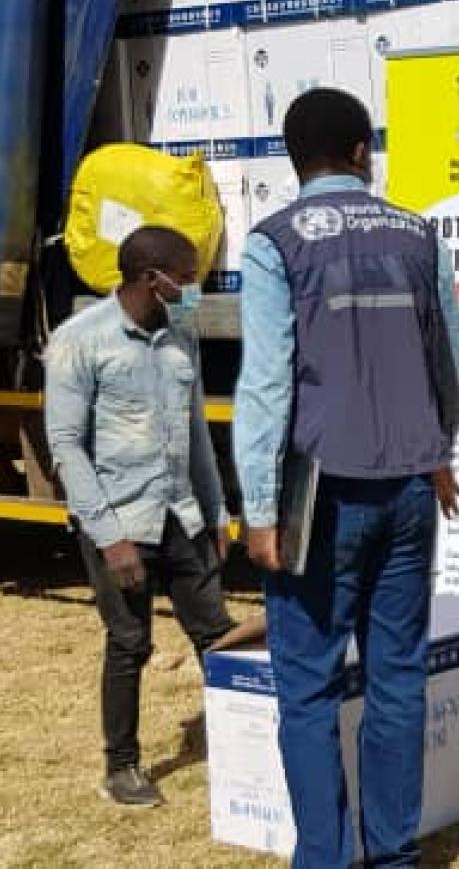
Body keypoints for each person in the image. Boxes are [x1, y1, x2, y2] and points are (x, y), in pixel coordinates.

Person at [233, 87, 459, 869]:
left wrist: (258, 510)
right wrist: (436, 448)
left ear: (294, 158)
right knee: (397, 680)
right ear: (363, 152)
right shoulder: (418, 233)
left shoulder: (274, 243)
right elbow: (453, 367)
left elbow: (267, 386)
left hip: (319, 496)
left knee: (307, 690)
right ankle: (394, 857)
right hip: (409, 486)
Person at [45, 226, 234, 808]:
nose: (195, 287)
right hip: (121, 520)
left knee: (218, 635)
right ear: (153, 280)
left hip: (181, 514)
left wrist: (215, 511)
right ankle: (121, 766)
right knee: (130, 643)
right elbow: (65, 446)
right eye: (188, 277)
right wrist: (109, 537)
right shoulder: (81, 339)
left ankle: (240, 745)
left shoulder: (182, 334)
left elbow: (195, 431)